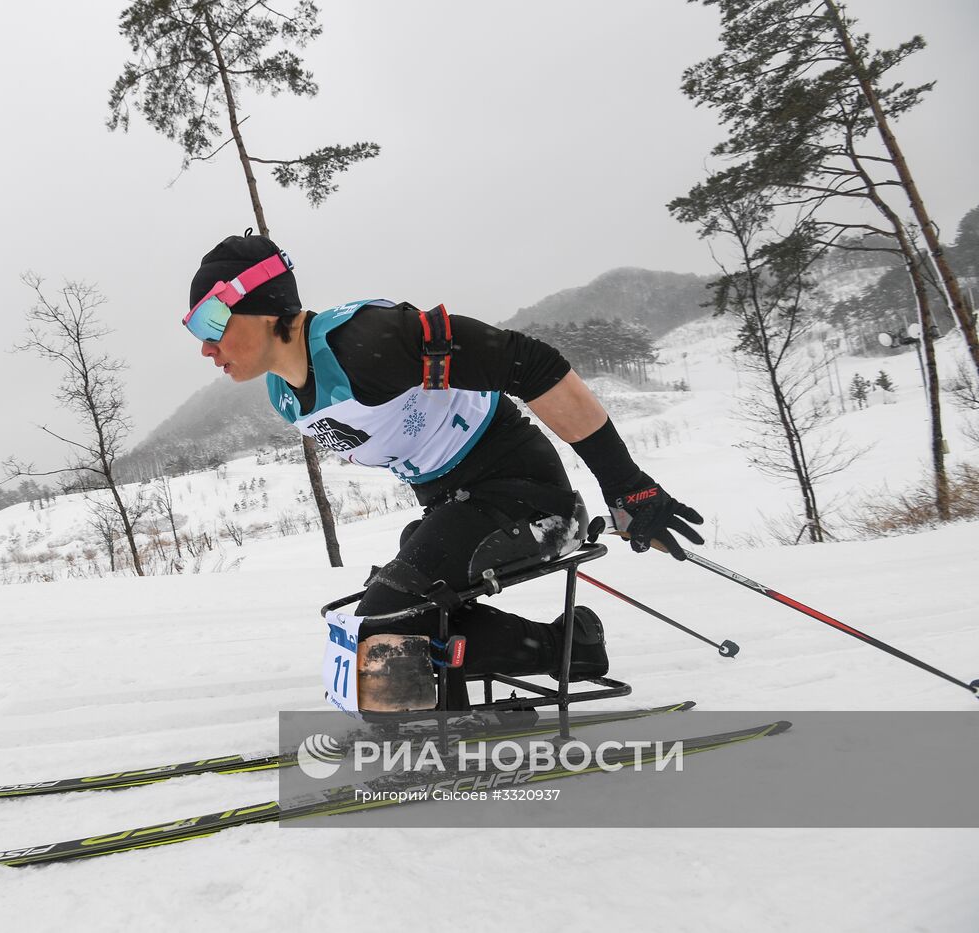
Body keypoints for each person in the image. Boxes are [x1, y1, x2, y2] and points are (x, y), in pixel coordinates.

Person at [185, 232, 704, 711]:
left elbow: (532, 365)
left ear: (266, 307)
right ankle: (570, 647)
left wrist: (628, 488)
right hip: (453, 506)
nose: (205, 348)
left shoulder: (371, 340)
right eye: (194, 331)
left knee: (381, 634)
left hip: (523, 495)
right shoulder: (285, 396)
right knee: (385, 631)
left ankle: (463, 713)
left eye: (210, 323)